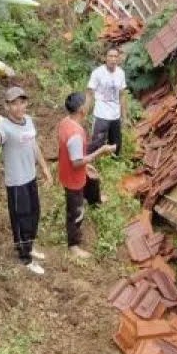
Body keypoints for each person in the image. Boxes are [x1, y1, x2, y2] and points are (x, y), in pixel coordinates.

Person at [0, 87, 53, 275]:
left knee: (34, 214)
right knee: (22, 219)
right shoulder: (3, 127)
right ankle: (26, 258)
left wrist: (44, 168)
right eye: (14, 103)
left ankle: (29, 246)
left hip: (30, 177)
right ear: (7, 106)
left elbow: (34, 145)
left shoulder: (28, 120)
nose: (19, 107)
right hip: (16, 182)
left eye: (22, 102)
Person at [57, 92, 115, 259]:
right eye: (87, 102)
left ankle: (96, 199)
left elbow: (68, 151)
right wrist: (101, 151)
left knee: (92, 179)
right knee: (76, 212)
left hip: (67, 169)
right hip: (73, 177)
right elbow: (76, 163)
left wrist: (85, 163)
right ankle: (73, 246)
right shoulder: (76, 134)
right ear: (82, 110)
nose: (90, 102)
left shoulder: (65, 122)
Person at [85, 46, 128, 157]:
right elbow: (89, 93)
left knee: (116, 146)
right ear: (105, 58)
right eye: (110, 56)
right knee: (96, 144)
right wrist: (85, 112)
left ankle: (115, 162)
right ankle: (91, 162)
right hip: (101, 114)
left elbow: (122, 95)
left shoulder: (121, 73)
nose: (113, 59)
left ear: (118, 58)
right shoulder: (97, 73)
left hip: (115, 115)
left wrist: (124, 117)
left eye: (115, 56)